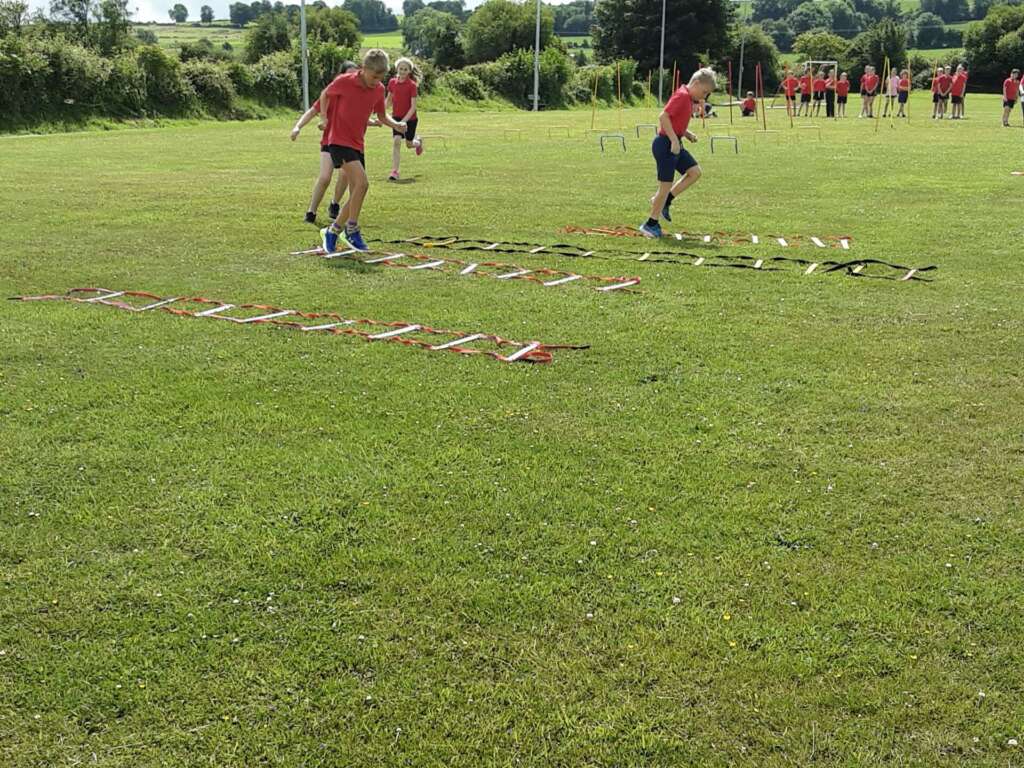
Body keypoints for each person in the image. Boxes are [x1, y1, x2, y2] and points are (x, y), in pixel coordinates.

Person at [317, 49, 408, 253]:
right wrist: (323, 117)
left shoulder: (378, 89)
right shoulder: (344, 81)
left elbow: (382, 116)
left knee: (357, 192)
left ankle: (333, 231)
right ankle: (351, 229)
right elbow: (325, 95)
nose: (377, 81)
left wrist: (396, 125)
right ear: (363, 69)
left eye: (381, 77)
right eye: (374, 76)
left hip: (357, 143)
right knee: (363, 184)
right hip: (338, 141)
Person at [639, 67, 717, 239]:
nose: (704, 97)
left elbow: (675, 120)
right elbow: (663, 117)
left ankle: (666, 200)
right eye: (704, 92)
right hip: (665, 145)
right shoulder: (682, 96)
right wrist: (674, 140)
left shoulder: (688, 98)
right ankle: (650, 224)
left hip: (675, 143)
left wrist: (686, 134)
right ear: (696, 83)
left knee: (694, 172)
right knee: (664, 186)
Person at [291, 60, 360, 225]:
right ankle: (311, 211)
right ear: (340, 76)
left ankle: (334, 204)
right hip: (329, 142)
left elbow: (360, 117)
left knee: (345, 174)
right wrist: (297, 127)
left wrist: (375, 122)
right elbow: (311, 112)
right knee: (325, 177)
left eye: (354, 75)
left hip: (347, 143)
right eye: (348, 75)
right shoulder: (330, 94)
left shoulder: (356, 96)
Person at [386, 57, 424, 182]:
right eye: (400, 68)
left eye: (405, 69)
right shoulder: (392, 82)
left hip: (410, 119)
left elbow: (413, 107)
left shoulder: (412, 85)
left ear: (409, 71)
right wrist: (381, 112)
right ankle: (395, 171)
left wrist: (404, 121)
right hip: (396, 118)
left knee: (409, 144)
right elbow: (389, 100)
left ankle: (418, 142)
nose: (402, 71)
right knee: (396, 141)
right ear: (397, 69)